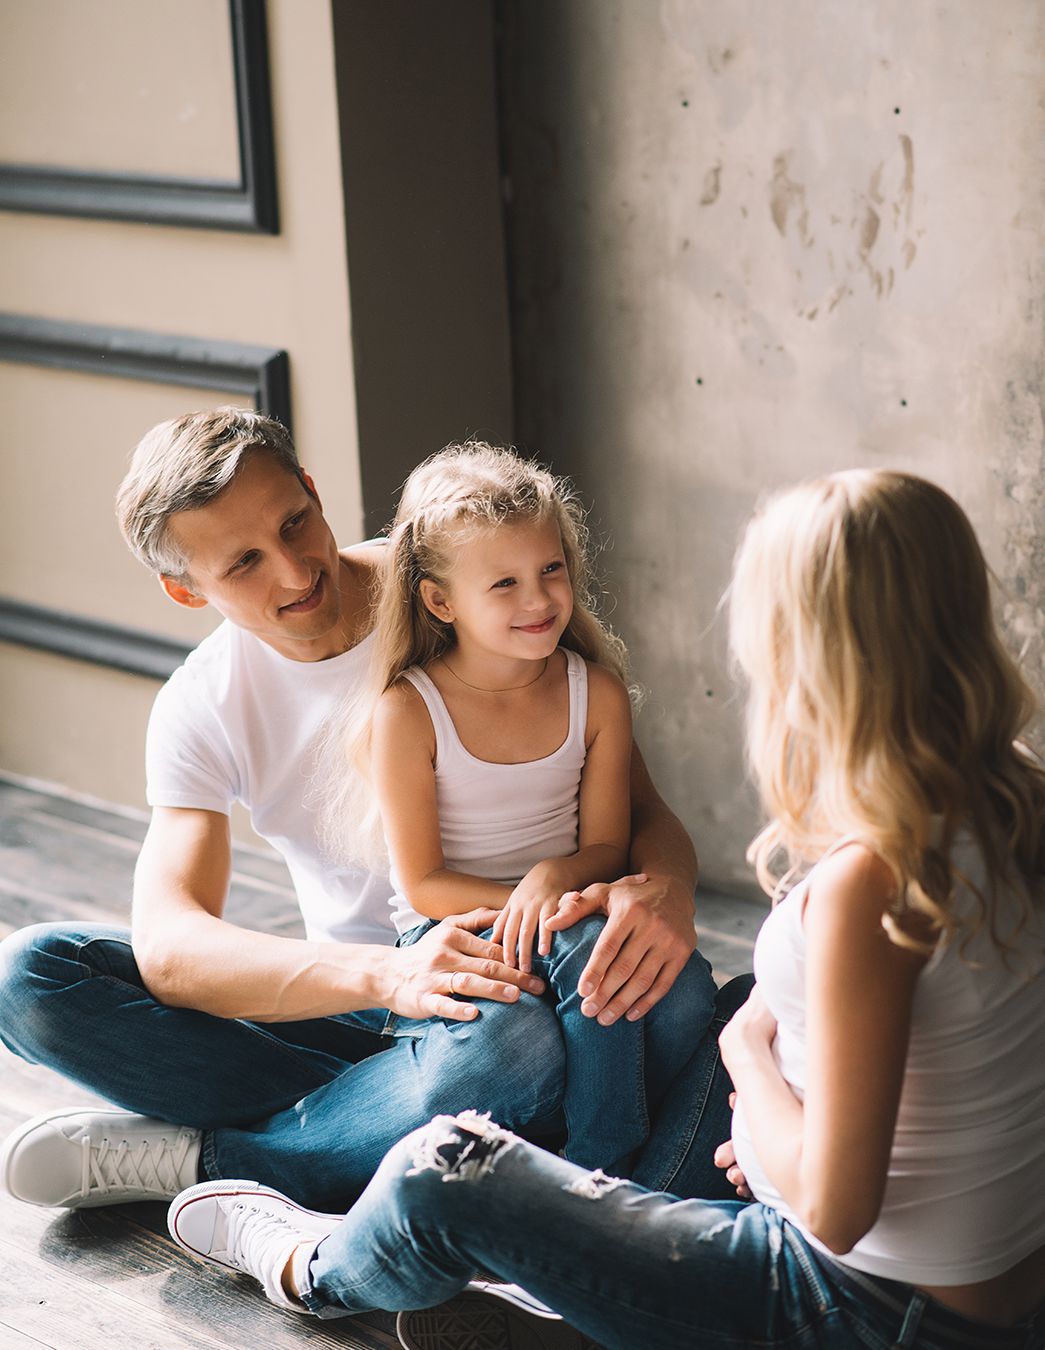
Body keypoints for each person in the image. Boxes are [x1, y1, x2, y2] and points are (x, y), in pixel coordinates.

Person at [168, 470, 1045, 1348]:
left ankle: (305, 1266)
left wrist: (759, 1084)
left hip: (856, 1302)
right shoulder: (1016, 796)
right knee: (706, 1008)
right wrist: (784, 1120)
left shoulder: (873, 881)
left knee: (448, 1173)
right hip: (970, 1284)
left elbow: (833, 1207)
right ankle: (582, 1281)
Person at [0, 407, 705, 1217]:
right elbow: (171, 946)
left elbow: (639, 810)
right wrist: (389, 973)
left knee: (535, 1038)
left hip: (518, 980)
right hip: (360, 999)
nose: (296, 573)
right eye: (244, 564)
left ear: (311, 487)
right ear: (184, 590)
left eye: (296, 523)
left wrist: (670, 890)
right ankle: (417, 1124)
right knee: (29, 978)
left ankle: (230, 1160)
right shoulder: (203, 703)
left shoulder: (471, 587)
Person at [319, 443, 716, 1173]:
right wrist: (529, 900)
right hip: (456, 927)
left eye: (550, 570)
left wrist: (553, 878)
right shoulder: (408, 712)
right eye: (503, 583)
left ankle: (575, 1142)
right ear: (440, 601)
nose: (537, 601)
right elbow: (424, 886)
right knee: (579, 947)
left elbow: (607, 844)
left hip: (567, 908)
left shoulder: (591, 691)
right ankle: (604, 1156)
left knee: (683, 990)